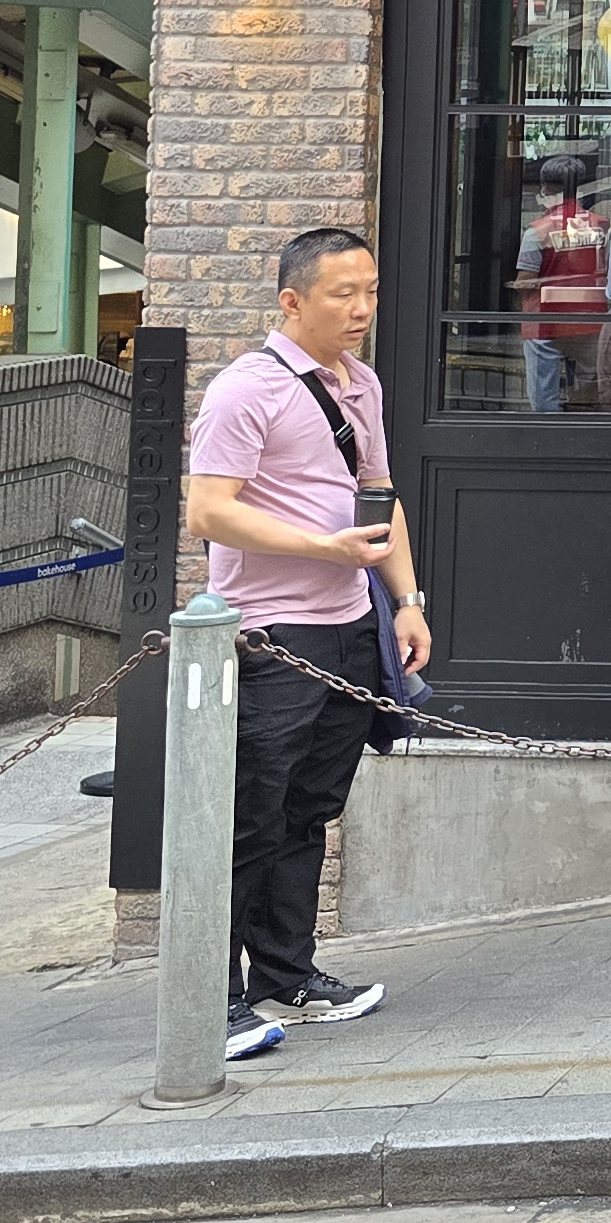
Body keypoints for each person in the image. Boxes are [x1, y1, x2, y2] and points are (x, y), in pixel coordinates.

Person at [183, 226, 429, 1059]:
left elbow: (378, 495)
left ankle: (286, 976)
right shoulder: (244, 390)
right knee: (247, 819)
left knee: (308, 812)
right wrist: (323, 548)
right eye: (342, 294)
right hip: (271, 636)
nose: (362, 309)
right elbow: (209, 511)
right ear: (292, 301)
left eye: (370, 291)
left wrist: (406, 600)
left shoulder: (361, 383)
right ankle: (209, 1002)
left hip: (351, 628)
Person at [514, 154, 608, 411]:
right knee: (588, 398)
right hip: (590, 320)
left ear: (544, 187)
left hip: (545, 324)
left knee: (544, 401)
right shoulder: (600, 225)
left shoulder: (537, 232)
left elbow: (525, 281)